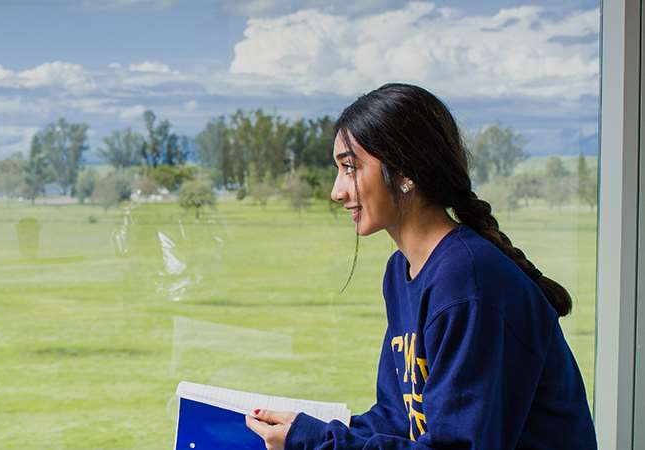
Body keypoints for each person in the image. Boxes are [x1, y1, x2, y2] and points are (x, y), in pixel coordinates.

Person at [245, 83, 596, 449]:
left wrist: (318, 442)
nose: (336, 191)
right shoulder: (402, 272)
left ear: (406, 172)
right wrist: (307, 430)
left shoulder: (467, 282)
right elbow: (398, 421)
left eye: (350, 168)